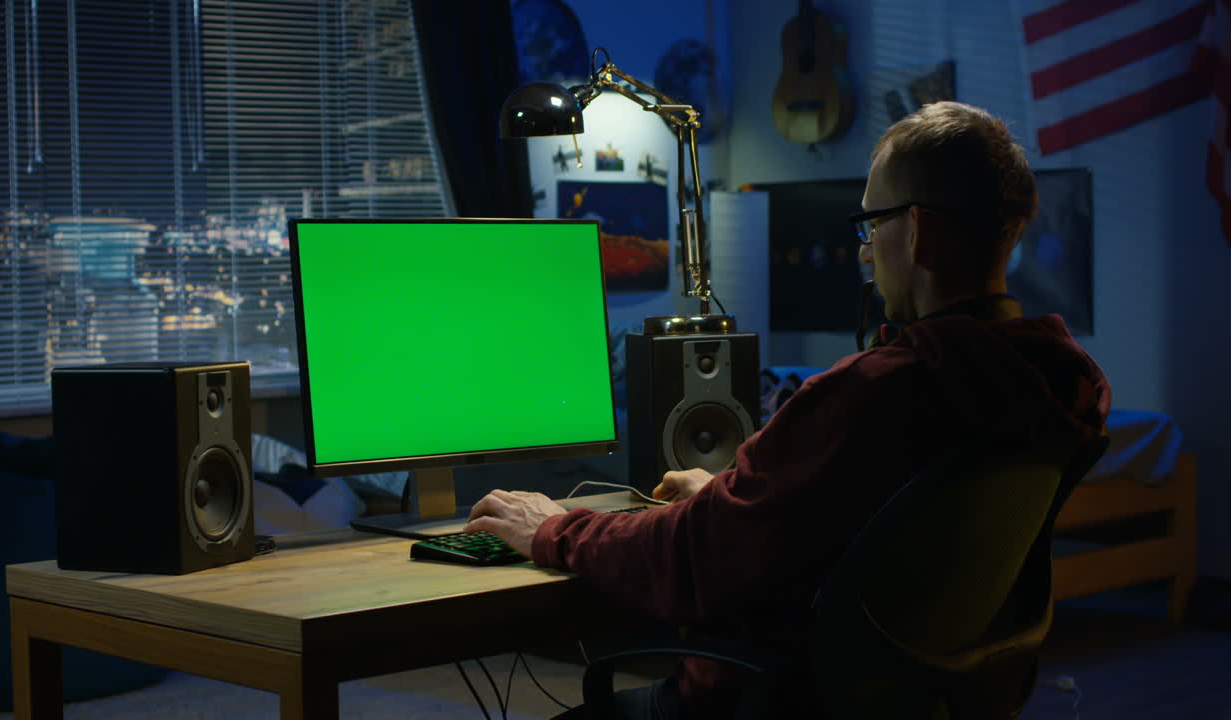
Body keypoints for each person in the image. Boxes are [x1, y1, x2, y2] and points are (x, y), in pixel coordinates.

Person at [464, 101, 1112, 719]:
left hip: (769, 700)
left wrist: (554, 527)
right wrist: (735, 495)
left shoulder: (873, 393)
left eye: (870, 223)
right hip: (919, 699)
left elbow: (692, 557)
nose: (864, 249)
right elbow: (871, 530)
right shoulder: (1057, 385)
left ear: (915, 231)